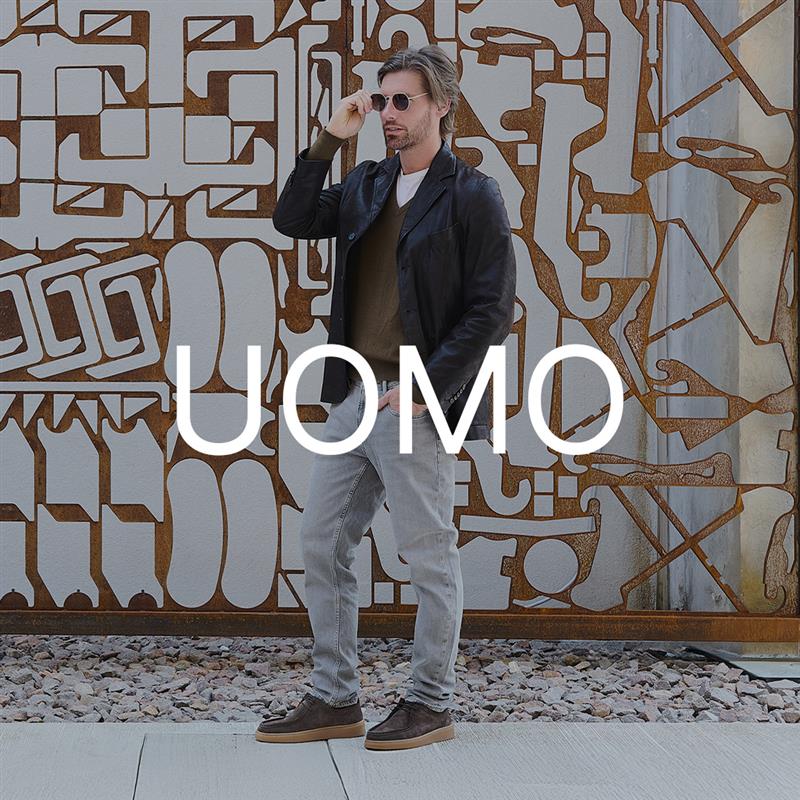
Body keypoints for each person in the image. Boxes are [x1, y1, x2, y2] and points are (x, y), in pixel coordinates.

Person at [257, 45, 516, 751]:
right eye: (382, 101)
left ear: (443, 106)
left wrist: (426, 387)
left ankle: (430, 701)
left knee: (427, 555)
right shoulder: (368, 183)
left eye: (404, 101)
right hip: (354, 394)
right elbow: (293, 218)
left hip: (414, 403)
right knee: (322, 542)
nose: (388, 114)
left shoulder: (472, 194)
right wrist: (329, 139)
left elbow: (492, 309)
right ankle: (335, 698)